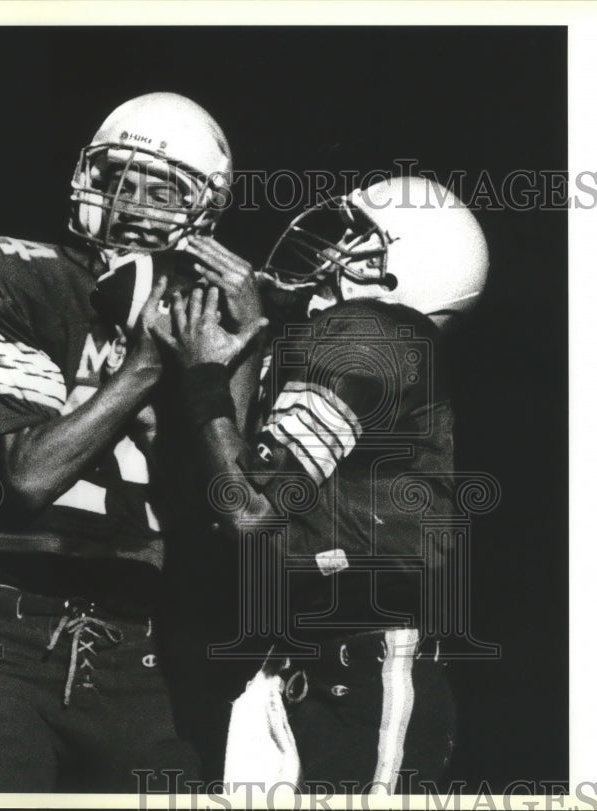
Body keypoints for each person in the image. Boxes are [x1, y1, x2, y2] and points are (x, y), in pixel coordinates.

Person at [0, 91, 258, 792]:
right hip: (14, 627)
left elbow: (225, 507)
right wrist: (146, 366)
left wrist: (230, 359)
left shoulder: (206, 308)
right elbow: (28, 475)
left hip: (139, 639)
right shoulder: (6, 268)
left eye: (163, 186)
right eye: (121, 175)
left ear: (202, 209)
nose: (134, 200)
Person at [151, 176, 489, 793]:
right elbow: (253, 480)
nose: (329, 250)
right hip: (301, 662)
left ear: (402, 269)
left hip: (360, 668)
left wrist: (203, 374)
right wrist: (247, 339)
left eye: (357, 241)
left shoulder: (369, 332)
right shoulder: (352, 338)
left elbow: (248, 511)